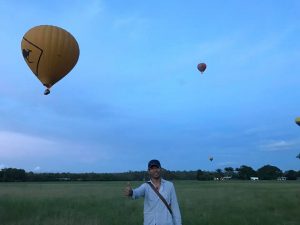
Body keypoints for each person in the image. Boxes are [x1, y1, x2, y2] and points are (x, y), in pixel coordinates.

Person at [124, 159, 182, 225]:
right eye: (152, 168)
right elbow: (137, 192)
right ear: (148, 171)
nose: (155, 170)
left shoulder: (169, 185)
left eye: (157, 167)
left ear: (160, 169)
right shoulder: (145, 186)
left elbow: (175, 208)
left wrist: (178, 223)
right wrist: (131, 192)